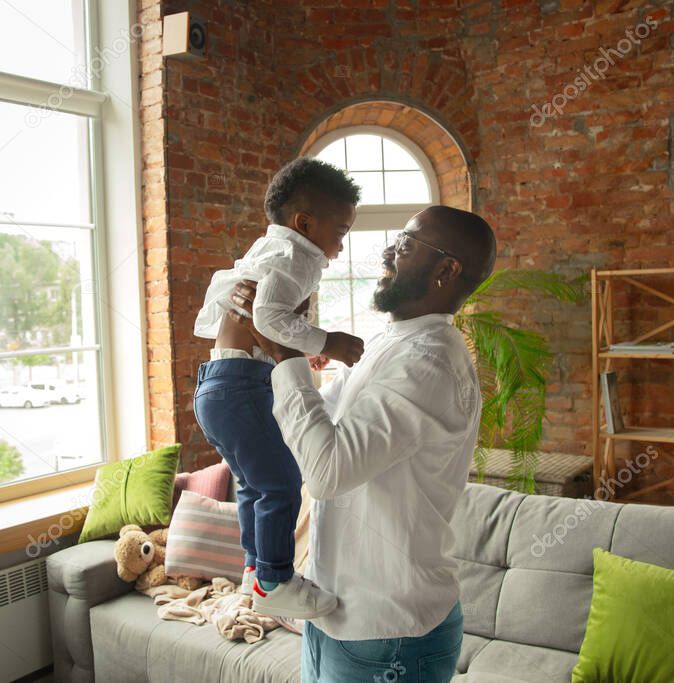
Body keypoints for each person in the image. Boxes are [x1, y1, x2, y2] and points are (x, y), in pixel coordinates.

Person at [227, 205, 497, 682]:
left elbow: (328, 473)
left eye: (408, 244)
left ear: (446, 270)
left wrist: (287, 353)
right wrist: (246, 369)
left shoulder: (429, 362)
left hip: (387, 631)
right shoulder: (389, 342)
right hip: (336, 615)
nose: (388, 251)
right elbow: (310, 428)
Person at [192, 157, 365, 619]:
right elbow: (268, 319)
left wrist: (303, 346)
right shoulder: (295, 257)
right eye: (341, 231)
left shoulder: (269, 251)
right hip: (242, 388)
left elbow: (263, 323)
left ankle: (254, 571)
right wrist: (329, 340)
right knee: (284, 483)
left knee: (253, 484)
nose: (341, 246)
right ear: (304, 222)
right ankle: (275, 578)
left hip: (220, 387)